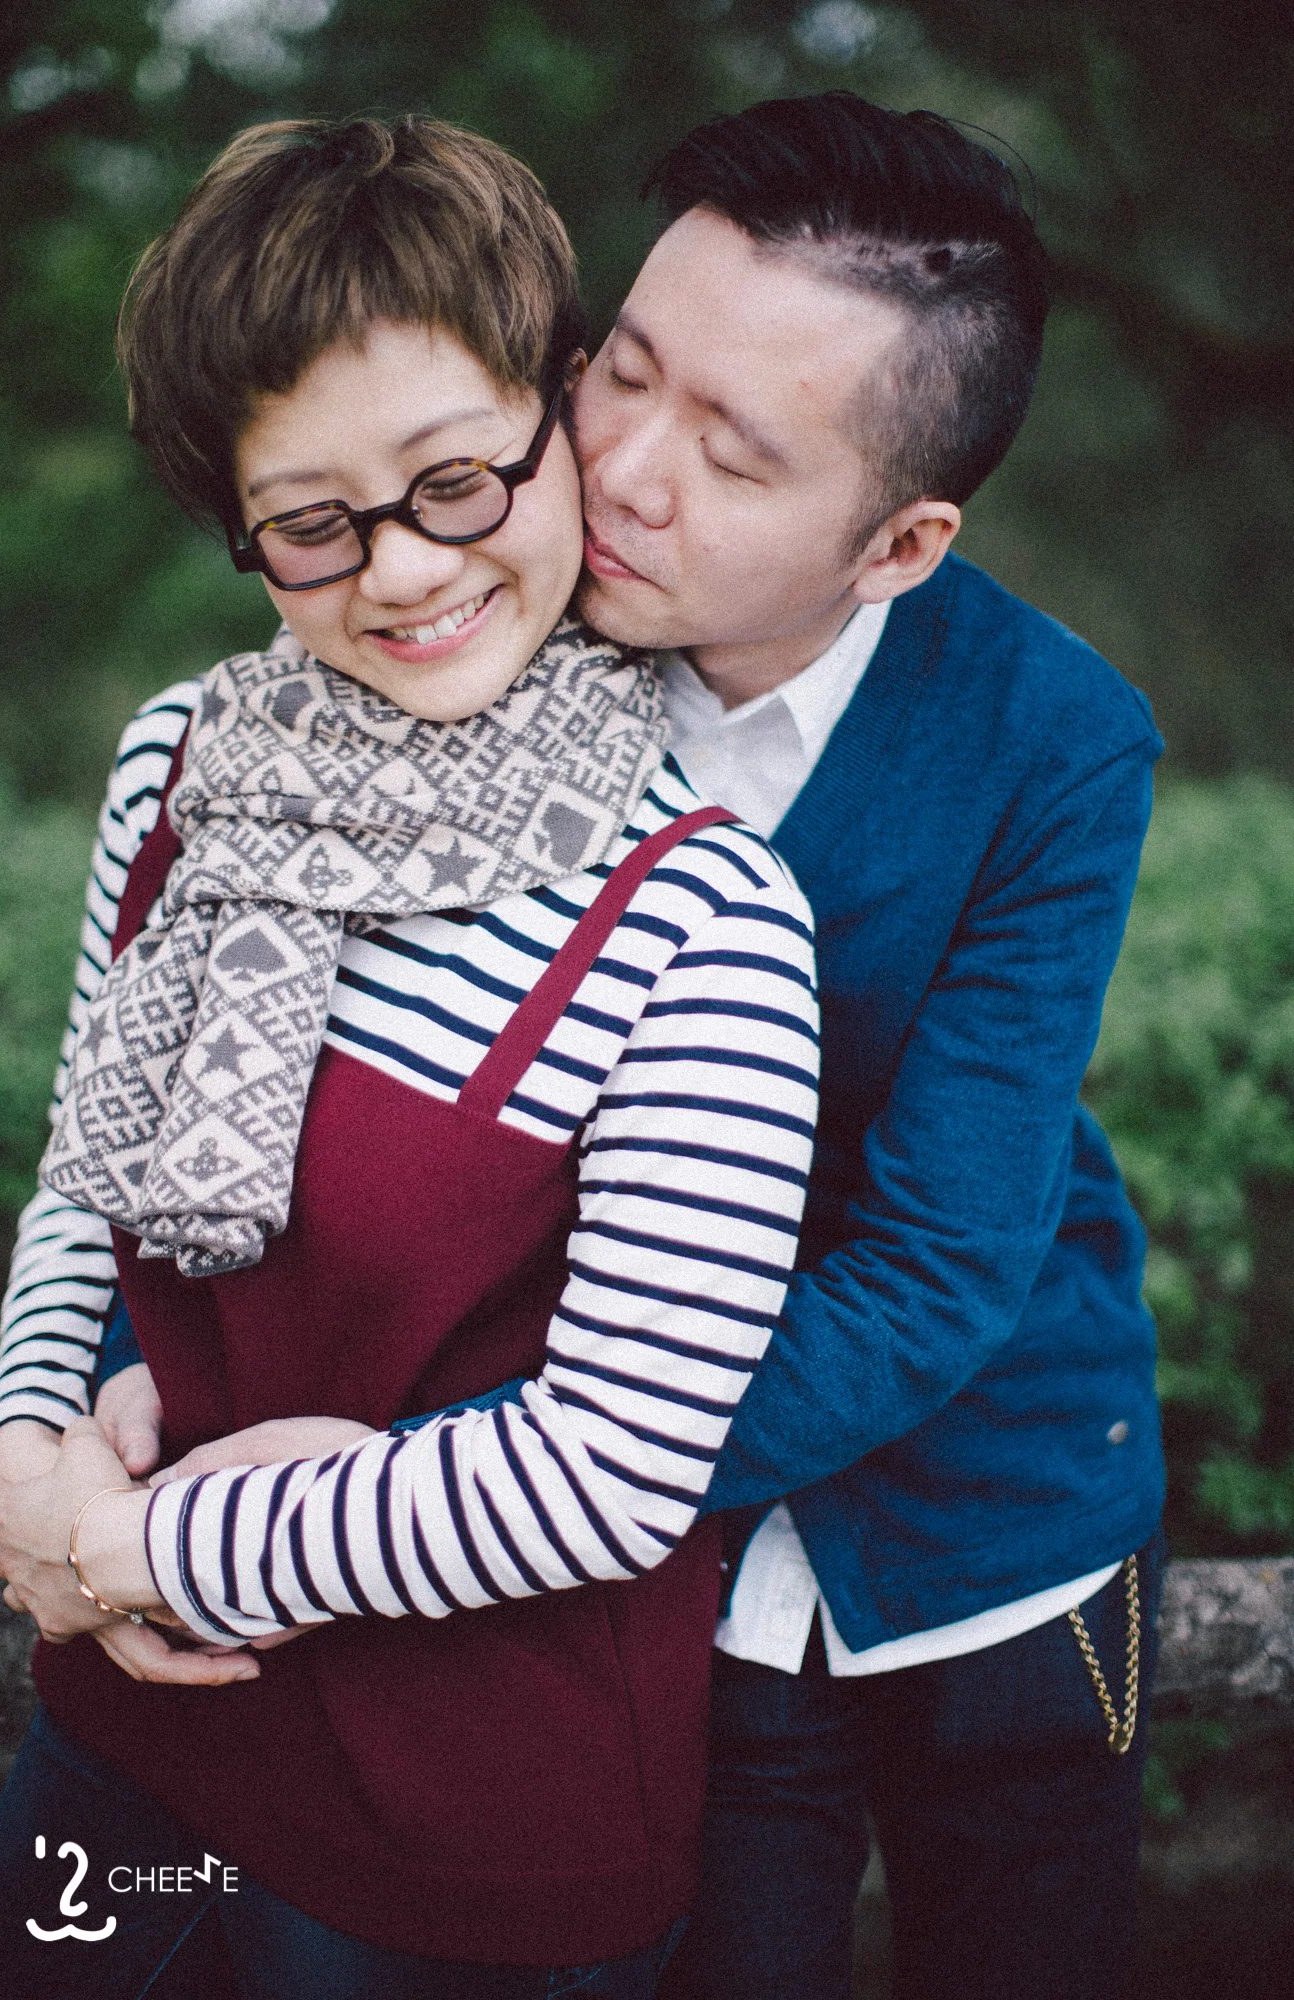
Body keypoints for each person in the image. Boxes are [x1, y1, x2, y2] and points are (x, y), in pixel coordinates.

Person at [0, 115, 819, 1998]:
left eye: (455, 481)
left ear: (557, 410)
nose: (403, 570)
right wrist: (28, 1460)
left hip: (468, 1826)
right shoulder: (183, 761)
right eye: (312, 522)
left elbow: (611, 1469)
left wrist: (150, 1548)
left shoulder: (703, 915)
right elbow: (86, 1180)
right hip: (128, 1729)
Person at [563, 94, 1164, 2000]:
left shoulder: (1053, 737)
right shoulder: (485, 650)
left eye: (731, 452)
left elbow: (936, 1267)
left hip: (1002, 1527)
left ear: (898, 541)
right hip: (666, 1570)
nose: (621, 472)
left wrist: (519, 1467)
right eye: (618, 371)